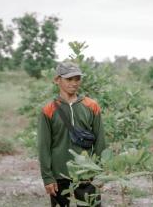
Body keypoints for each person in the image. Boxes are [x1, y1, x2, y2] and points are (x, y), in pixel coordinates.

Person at [38, 61, 106, 207]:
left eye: (77, 79)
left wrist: (100, 173)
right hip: (59, 175)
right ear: (57, 80)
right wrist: (48, 178)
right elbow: (44, 146)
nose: (74, 83)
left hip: (87, 173)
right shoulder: (48, 110)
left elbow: (100, 141)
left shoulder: (91, 106)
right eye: (69, 79)